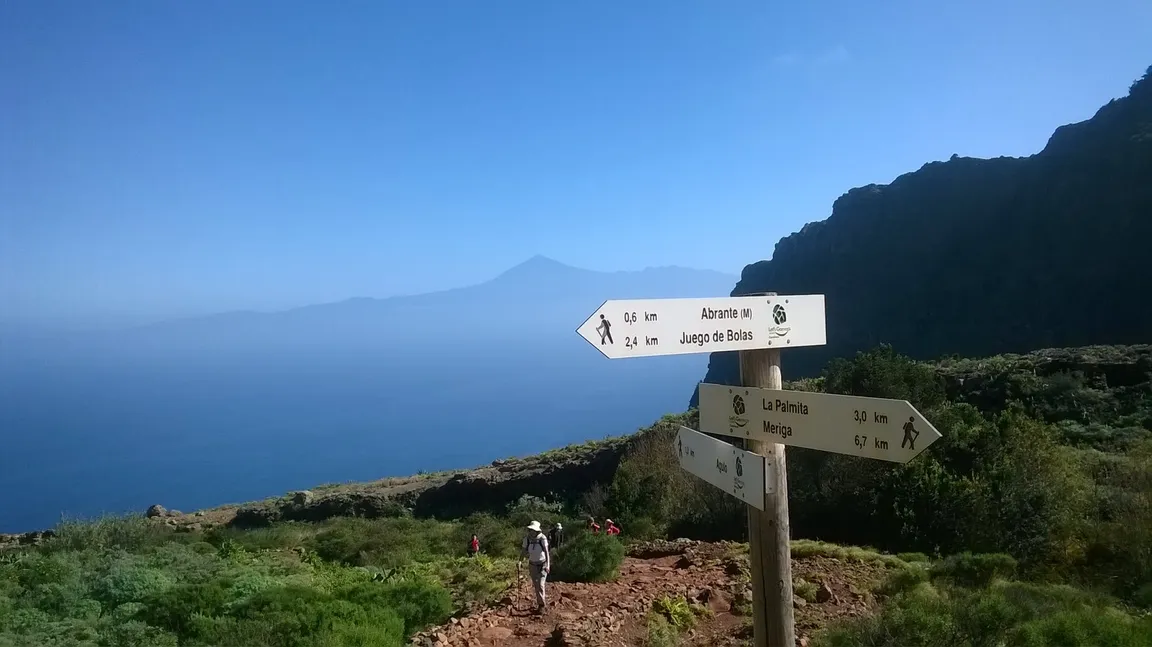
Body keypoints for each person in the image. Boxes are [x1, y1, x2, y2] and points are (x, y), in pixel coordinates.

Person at [521, 520, 551, 614]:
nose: (531, 532)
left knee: (541, 585)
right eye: (530, 530)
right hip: (532, 565)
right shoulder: (527, 539)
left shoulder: (542, 538)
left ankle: (542, 605)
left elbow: (546, 552)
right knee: (536, 585)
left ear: (537, 531)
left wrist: (548, 565)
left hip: (542, 564)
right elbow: (523, 551)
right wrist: (519, 561)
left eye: (532, 530)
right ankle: (540, 604)